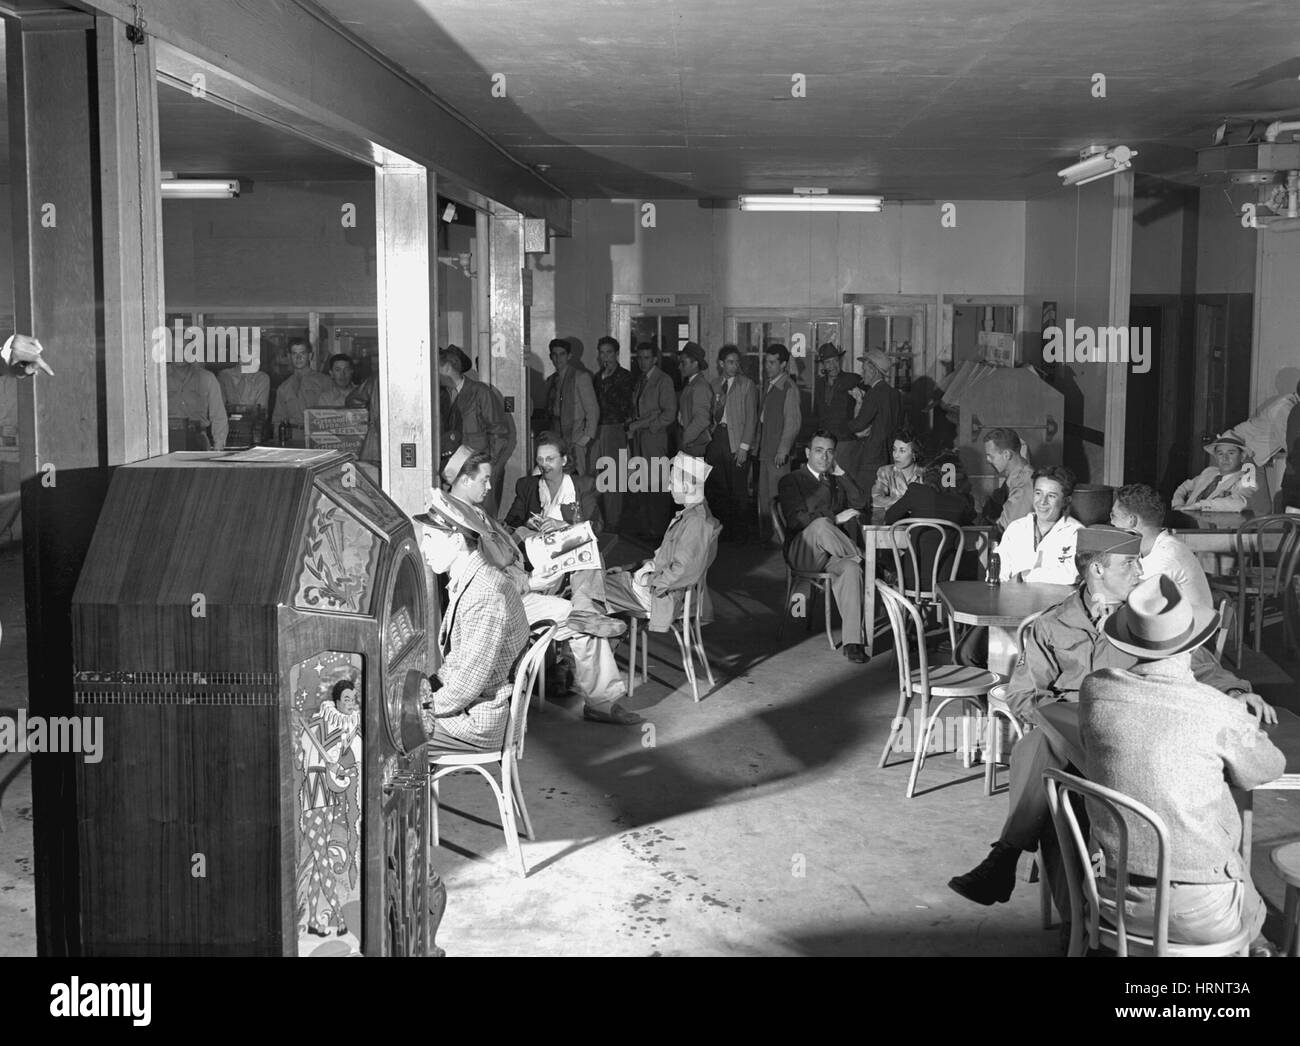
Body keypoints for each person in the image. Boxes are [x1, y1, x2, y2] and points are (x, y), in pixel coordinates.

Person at [947, 526, 1271, 918]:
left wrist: (1237, 692)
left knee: (1048, 777)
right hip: (1071, 733)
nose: (1139, 572)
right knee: (1054, 782)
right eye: (1129, 563)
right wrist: (1061, 719)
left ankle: (1011, 860)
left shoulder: (1147, 618)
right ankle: (1075, 922)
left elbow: (1199, 665)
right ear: (1097, 570)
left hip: (1132, 742)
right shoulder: (1053, 624)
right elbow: (1021, 693)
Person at [1079, 574, 1286, 952]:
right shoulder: (1217, 710)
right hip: (1203, 914)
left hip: (1111, 899)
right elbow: (1267, 767)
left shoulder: (1096, 691)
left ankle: (1257, 940)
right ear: (1196, 643)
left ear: (1130, 638)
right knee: (1228, 853)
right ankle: (1258, 945)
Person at [422, 446, 641, 726]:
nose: (490, 486)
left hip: (520, 577)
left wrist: (526, 533)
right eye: (484, 479)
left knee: (582, 546)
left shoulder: (472, 510)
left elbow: (499, 545)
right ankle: (601, 698)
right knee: (576, 616)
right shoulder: (457, 522)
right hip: (508, 598)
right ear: (465, 480)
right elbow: (485, 579)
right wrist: (530, 581)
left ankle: (588, 610)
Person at [418, 521, 529, 751]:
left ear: (457, 540)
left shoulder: (483, 593)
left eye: (429, 537)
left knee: (383, 729)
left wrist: (418, 705)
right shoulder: (474, 577)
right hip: (474, 706)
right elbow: (459, 664)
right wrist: (425, 689)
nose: (422, 547)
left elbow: (466, 686)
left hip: (481, 720)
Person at [603, 452, 722, 635]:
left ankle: (590, 655)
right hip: (655, 588)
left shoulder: (696, 523)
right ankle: (608, 643)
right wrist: (631, 568)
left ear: (687, 486)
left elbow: (684, 570)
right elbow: (663, 558)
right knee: (596, 585)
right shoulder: (692, 516)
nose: (668, 487)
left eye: (672, 483)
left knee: (590, 592)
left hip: (660, 597)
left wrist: (648, 580)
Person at [777, 431, 867, 663]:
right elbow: (796, 519)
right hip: (803, 549)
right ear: (808, 453)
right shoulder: (791, 480)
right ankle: (868, 561)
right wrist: (834, 519)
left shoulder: (835, 480)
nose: (824, 457)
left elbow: (860, 503)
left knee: (851, 569)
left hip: (832, 553)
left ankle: (852, 642)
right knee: (820, 525)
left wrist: (842, 473)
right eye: (819, 451)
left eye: (829, 452)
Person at [503, 432, 607, 613]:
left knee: (587, 547)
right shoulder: (527, 486)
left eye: (550, 459)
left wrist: (562, 526)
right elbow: (511, 522)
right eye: (540, 459)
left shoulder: (582, 486)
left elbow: (596, 526)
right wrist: (530, 523)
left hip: (568, 552)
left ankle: (585, 608)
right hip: (536, 552)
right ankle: (586, 608)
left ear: (564, 461)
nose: (544, 465)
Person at [1110, 483, 1213, 613]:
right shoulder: (1149, 548)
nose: (1112, 523)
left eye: (1114, 516)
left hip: (1194, 630)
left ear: (1132, 521)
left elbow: (1137, 603)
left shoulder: (1166, 555)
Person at [884, 456, 974, 591]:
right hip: (946, 581)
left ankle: (905, 611)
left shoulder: (916, 492)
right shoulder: (962, 501)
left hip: (911, 578)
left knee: (887, 562)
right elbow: (969, 521)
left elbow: (890, 517)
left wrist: (913, 516)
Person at [439, 346, 510, 515]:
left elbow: (499, 433)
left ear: (447, 368)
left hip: (479, 471)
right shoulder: (441, 396)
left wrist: (487, 468)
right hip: (452, 472)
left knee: (482, 519)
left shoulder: (481, 393)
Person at [704, 344, 759, 543]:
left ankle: (739, 533)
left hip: (736, 440)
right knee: (718, 487)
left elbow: (751, 418)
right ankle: (721, 532)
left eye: (736, 362)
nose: (734, 366)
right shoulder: (713, 384)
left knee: (738, 489)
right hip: (717, 438)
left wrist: (744, 447)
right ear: (721, 364)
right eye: (730, 362)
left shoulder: (746, 385)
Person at [995, 466, 1082, 584]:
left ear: (1066, 501)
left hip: (1056, 601)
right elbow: (998, 568)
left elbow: (1071, 575)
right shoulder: (1017, 528)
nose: (1042, 501)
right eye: (1038, 493)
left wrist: (1024, 575)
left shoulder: (1076, 532)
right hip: (1013, 598)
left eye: (1051, 496)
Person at [627, 342, 678, 540]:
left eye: (647, 357)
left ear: (655, 359)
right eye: (639, 357)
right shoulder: (641, 379)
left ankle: (658, 530)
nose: (642, 361)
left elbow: (669, 414)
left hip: (655, 438)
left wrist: (647, 425)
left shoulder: (663, 380)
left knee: (657, 485)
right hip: (640, 439)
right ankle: (646, 527)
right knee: (642, 484)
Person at [756, 343, 802, 546]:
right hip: (766, 451)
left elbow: (792, 423)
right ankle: (766, 536)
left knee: (776, 496)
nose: (768, 366)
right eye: (766, 362)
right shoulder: (770, 385)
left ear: (783, 364)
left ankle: (779, 538)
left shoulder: (788, 387)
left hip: (778, 454)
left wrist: (783, 450)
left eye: (772, 363)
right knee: (764, 496)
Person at [592, 335, 636, 531]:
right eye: (602, 353)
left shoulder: (624, 376)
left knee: (613, 476)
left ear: (616, 354)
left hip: (615, 428)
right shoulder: (596, 377)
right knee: (596, 475)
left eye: (609, 352)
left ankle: (614, 522)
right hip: (597, 429)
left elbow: (625, 406)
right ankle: (599, 520)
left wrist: (609, 378)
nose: (605, 356)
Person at [846, 348, 902, 497]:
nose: (862, 374)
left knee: (865, 498)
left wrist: (847, 424)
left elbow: (858, 425)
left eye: (864, 370)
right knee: (883, 500)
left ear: (874, 372)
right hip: (889, 455)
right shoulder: (893, 393)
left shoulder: (874, 394)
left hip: (871, 458)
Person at [813, 342, 866, 498]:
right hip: (826, 444)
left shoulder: (853, 380)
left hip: (847, 443)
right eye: (828, 362)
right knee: (828, 487)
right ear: (822, 364)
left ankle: (851, 521)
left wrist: (860, 396)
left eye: (835, 360)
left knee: (848, 486)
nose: (833, 365)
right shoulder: (819, 384)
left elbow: (868, 405)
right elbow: (817, 414)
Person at [544, 338, 599, 475]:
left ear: (569, 356)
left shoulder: (580, 377)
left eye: (562, 354)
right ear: (551, 356)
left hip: (576, 438)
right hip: (556, 438)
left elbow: (592, 410)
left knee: (578, 478)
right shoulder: (551, 380)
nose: (558, 358)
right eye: (554, 355)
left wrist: (585, 438)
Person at [1172, 432, 1259, 513]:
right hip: (1187, 520)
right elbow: (1184, 487)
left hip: (1212, 527)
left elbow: (1238, 503)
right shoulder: (1209, 472)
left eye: (1231, 453)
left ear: (1242, 457)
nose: (1225, 458)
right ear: (1215, 457)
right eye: (1220, 453)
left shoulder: (1246, 480)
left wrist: (1198, 506)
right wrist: (1177, 504)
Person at [271, 337, 333, 444]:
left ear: (310, 356)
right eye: (294, 354)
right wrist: (278, 442)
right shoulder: (284, 387)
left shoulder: (324, 381)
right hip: (292, 437)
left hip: (318, 437)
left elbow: (333, 415)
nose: (298, 357)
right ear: (289, 357)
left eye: (302, 353)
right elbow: (278, 419)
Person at [977, 426, 1034, 533]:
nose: (987, 460)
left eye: (991, 456)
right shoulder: (1014, 479)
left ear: (1007, 455)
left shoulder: (1024, 483)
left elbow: (1008, 526)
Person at [166, 360, 228, 450]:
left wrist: (219, 444)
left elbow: (218, 415)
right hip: (165, 441)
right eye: (176, 349)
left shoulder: (207, 378)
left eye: (184, 349)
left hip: (198, 440)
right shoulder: (158, 376)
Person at [676, 342, 713, 458]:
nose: (679, 367)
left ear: (695, 363)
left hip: (694, 446)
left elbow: (702, 419)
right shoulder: (691, 384)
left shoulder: (700, 386)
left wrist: (685, 439)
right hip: (690, 444)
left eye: (683, 363)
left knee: (689, 476)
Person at [871, 431, 924, 511]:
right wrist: (907, 501)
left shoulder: (926, 473)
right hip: (893, 522)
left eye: (902, 451)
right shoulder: (885, 472)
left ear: (914, 454)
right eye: (894, 450)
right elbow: (876, 499)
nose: (896, 455)